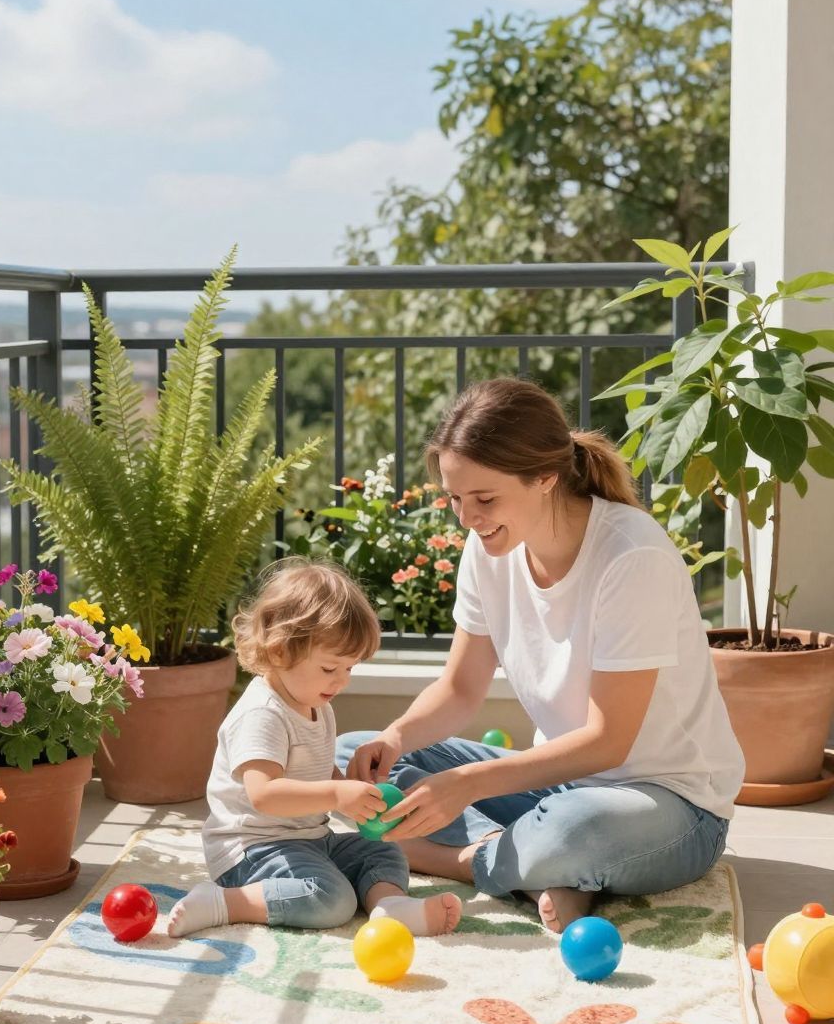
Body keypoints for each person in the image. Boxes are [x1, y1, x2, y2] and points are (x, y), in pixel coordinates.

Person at [340, 378, 744, 933]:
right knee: (351, 757)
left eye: (484, 499)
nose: (467, 519)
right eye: (455, 499)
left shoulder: (632, 557)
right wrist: (395, 737)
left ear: (546, 478)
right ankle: (533, 870)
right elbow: (460, 690)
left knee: (570, 833)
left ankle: (449, 858)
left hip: (668, 805)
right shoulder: (488, 552)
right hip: (557, 785)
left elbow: (609, 741)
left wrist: (471, 785)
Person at [167, 558, 462, 939]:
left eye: (350, 669)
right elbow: (264, 794)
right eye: (329, 669)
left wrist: (359, 797)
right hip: (253, 850)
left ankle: (390, 907)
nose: (341, 681)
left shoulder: (316, 704)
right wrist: (337, 795)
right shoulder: (262, 714)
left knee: (384, 853)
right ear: (279, 651)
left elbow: (321, 775)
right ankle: (224, 901)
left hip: (308, 839)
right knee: (331, 899)